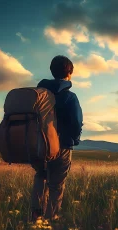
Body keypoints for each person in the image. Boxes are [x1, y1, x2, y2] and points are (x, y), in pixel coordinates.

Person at [30, 55, 83, 221]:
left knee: (41, 176)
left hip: (39, 145)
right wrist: (73, 140)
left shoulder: (39, 95)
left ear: (52, 71)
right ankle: (49, 223)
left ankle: (35, 218)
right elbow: (76, 122)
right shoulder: (69, 96)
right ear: (70, 73)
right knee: (56, 185)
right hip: (62, 146)